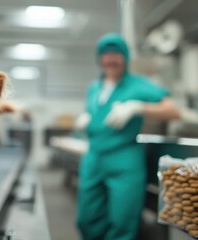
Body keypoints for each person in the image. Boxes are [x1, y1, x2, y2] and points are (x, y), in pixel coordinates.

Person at [76, 33, 180, 240]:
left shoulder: (138, 84)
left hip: (124, 158)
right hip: (94, 157)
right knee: (87, 219)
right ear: (100, 58)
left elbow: (173, 111)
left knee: (122, 222)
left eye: (116, 54)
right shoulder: (94, 87)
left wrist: (138, 107)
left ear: (125, 58)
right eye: (106, 55)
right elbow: (95, 112)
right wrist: (87, 117)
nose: (111, 59)